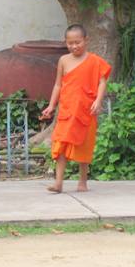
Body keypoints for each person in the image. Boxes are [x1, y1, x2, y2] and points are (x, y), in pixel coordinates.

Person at [40, 24, 111, 193]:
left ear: (86, 40)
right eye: (70, 43)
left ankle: (82, 182)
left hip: (86, 110)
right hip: (66, 110)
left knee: (84, 147)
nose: (74, 46)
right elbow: (58, 84)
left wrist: (98, 101)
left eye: (77, 42)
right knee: (61, 145)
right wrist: (51, 105)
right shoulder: (64, 60)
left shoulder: (95, 61)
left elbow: (102, 82)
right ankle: (58, 183)